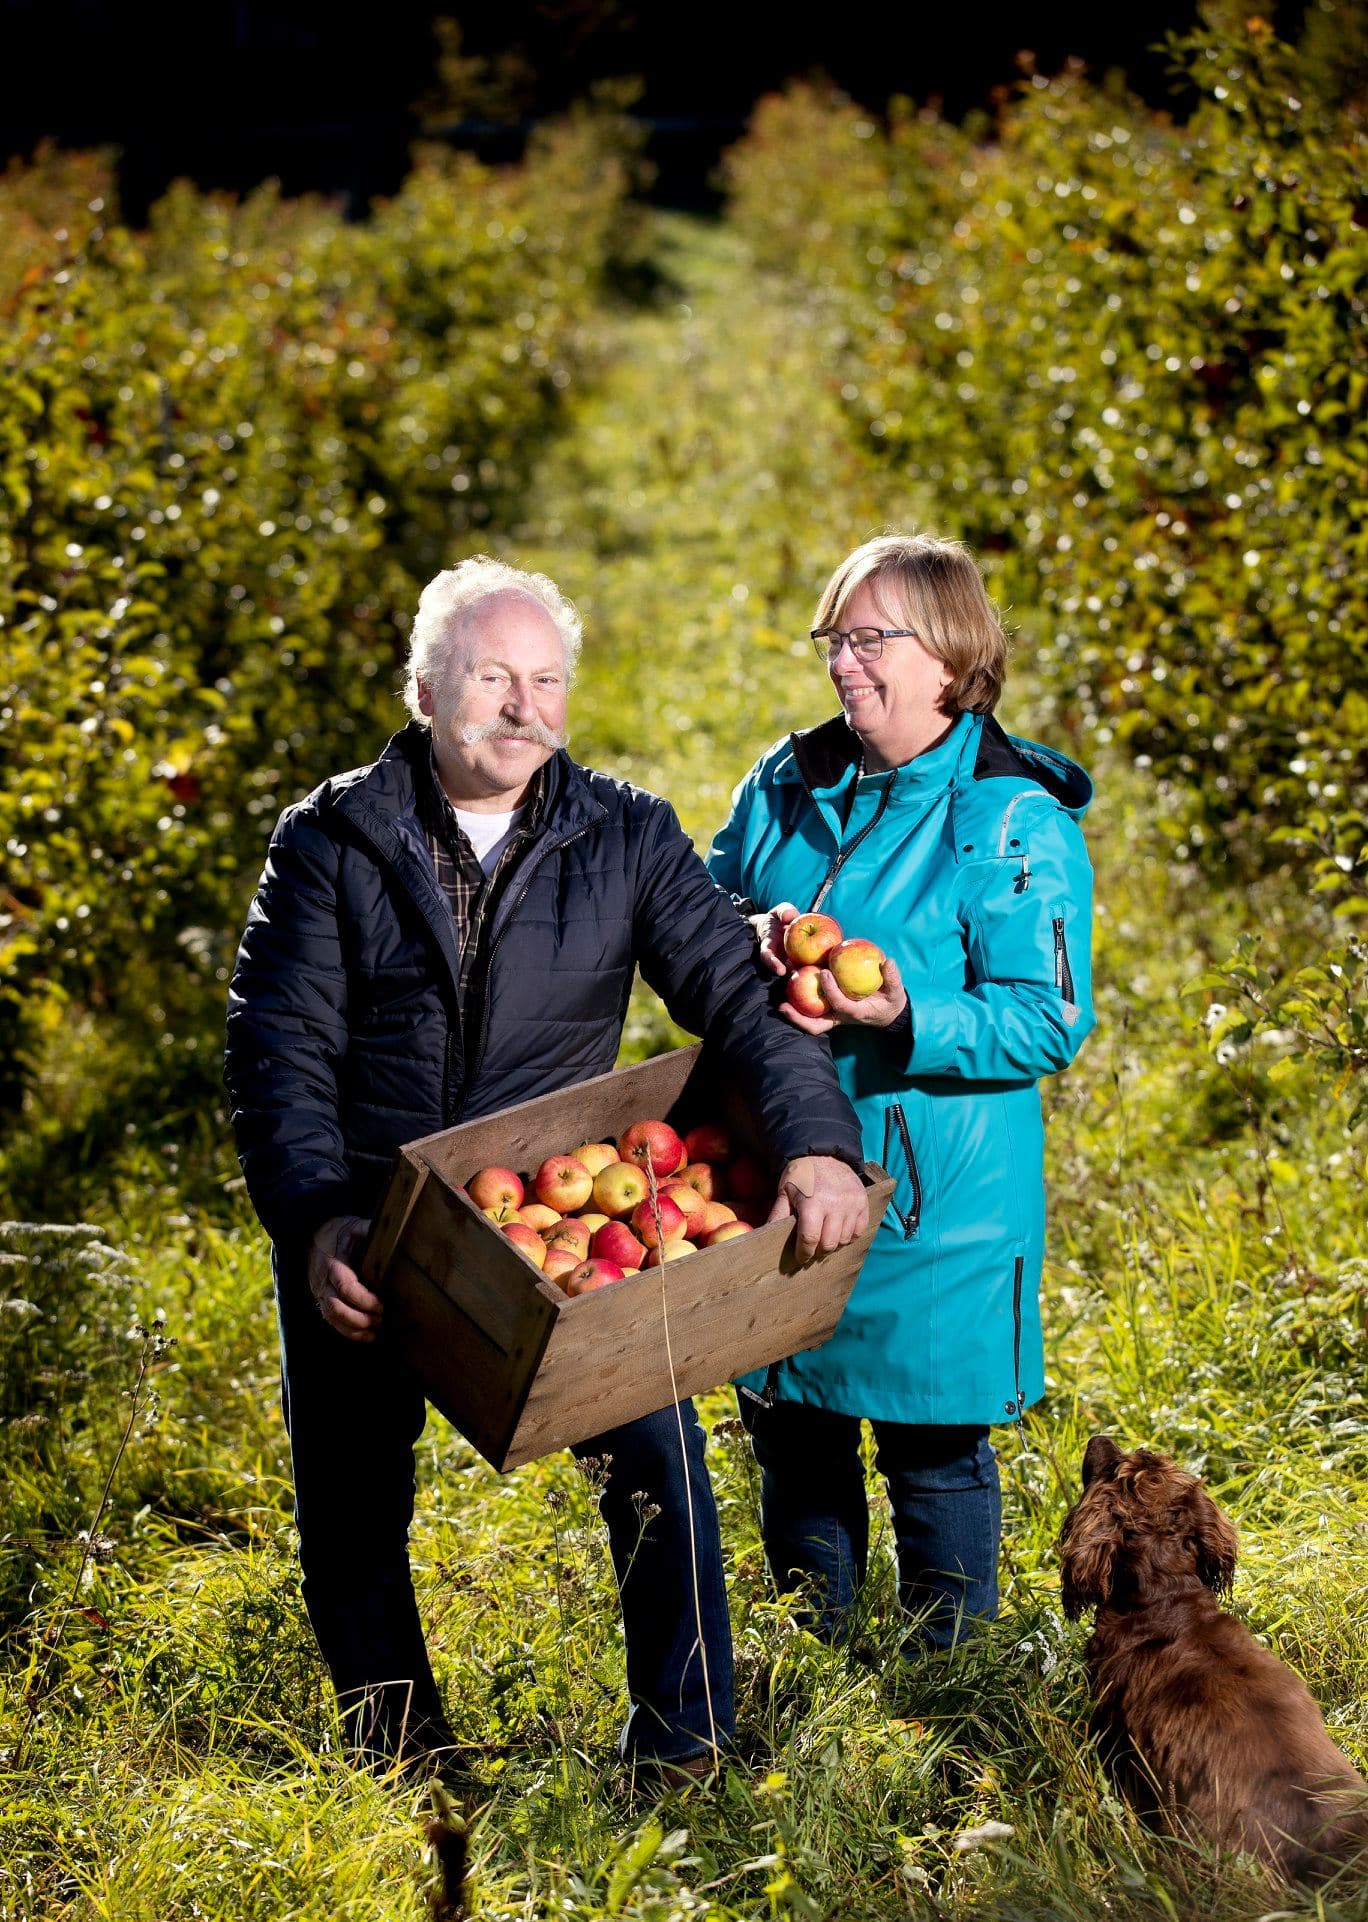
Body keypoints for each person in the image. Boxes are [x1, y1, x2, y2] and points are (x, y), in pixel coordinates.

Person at [224, 555, 869, 1781]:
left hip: (554, 1233)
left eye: (548, 678)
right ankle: (406, 1764)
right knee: (352, 1511)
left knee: (662, 1463)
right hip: (377, 1218)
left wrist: (818, 1143)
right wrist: (315, 1220)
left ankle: (688, 1747)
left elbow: (737, 999)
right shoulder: (332, 840)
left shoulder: (621, 833)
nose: (525, 706)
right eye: (492, 677)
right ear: (424, 689)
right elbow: (279, 1044)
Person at [705, 532, 1095, 1652]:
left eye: (872, 637)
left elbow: (1045, 1016)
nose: (842, 660)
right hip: (780, 1165)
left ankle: (949, 1687)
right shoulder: (787, 781)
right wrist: (750, 936)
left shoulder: (1009, 820)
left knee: (931, 1452)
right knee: (795, 1432)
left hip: (936, 1201)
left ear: (950, 655)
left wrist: (903, 1008)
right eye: (836, 634)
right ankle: (819, 1666)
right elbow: (698, 915)